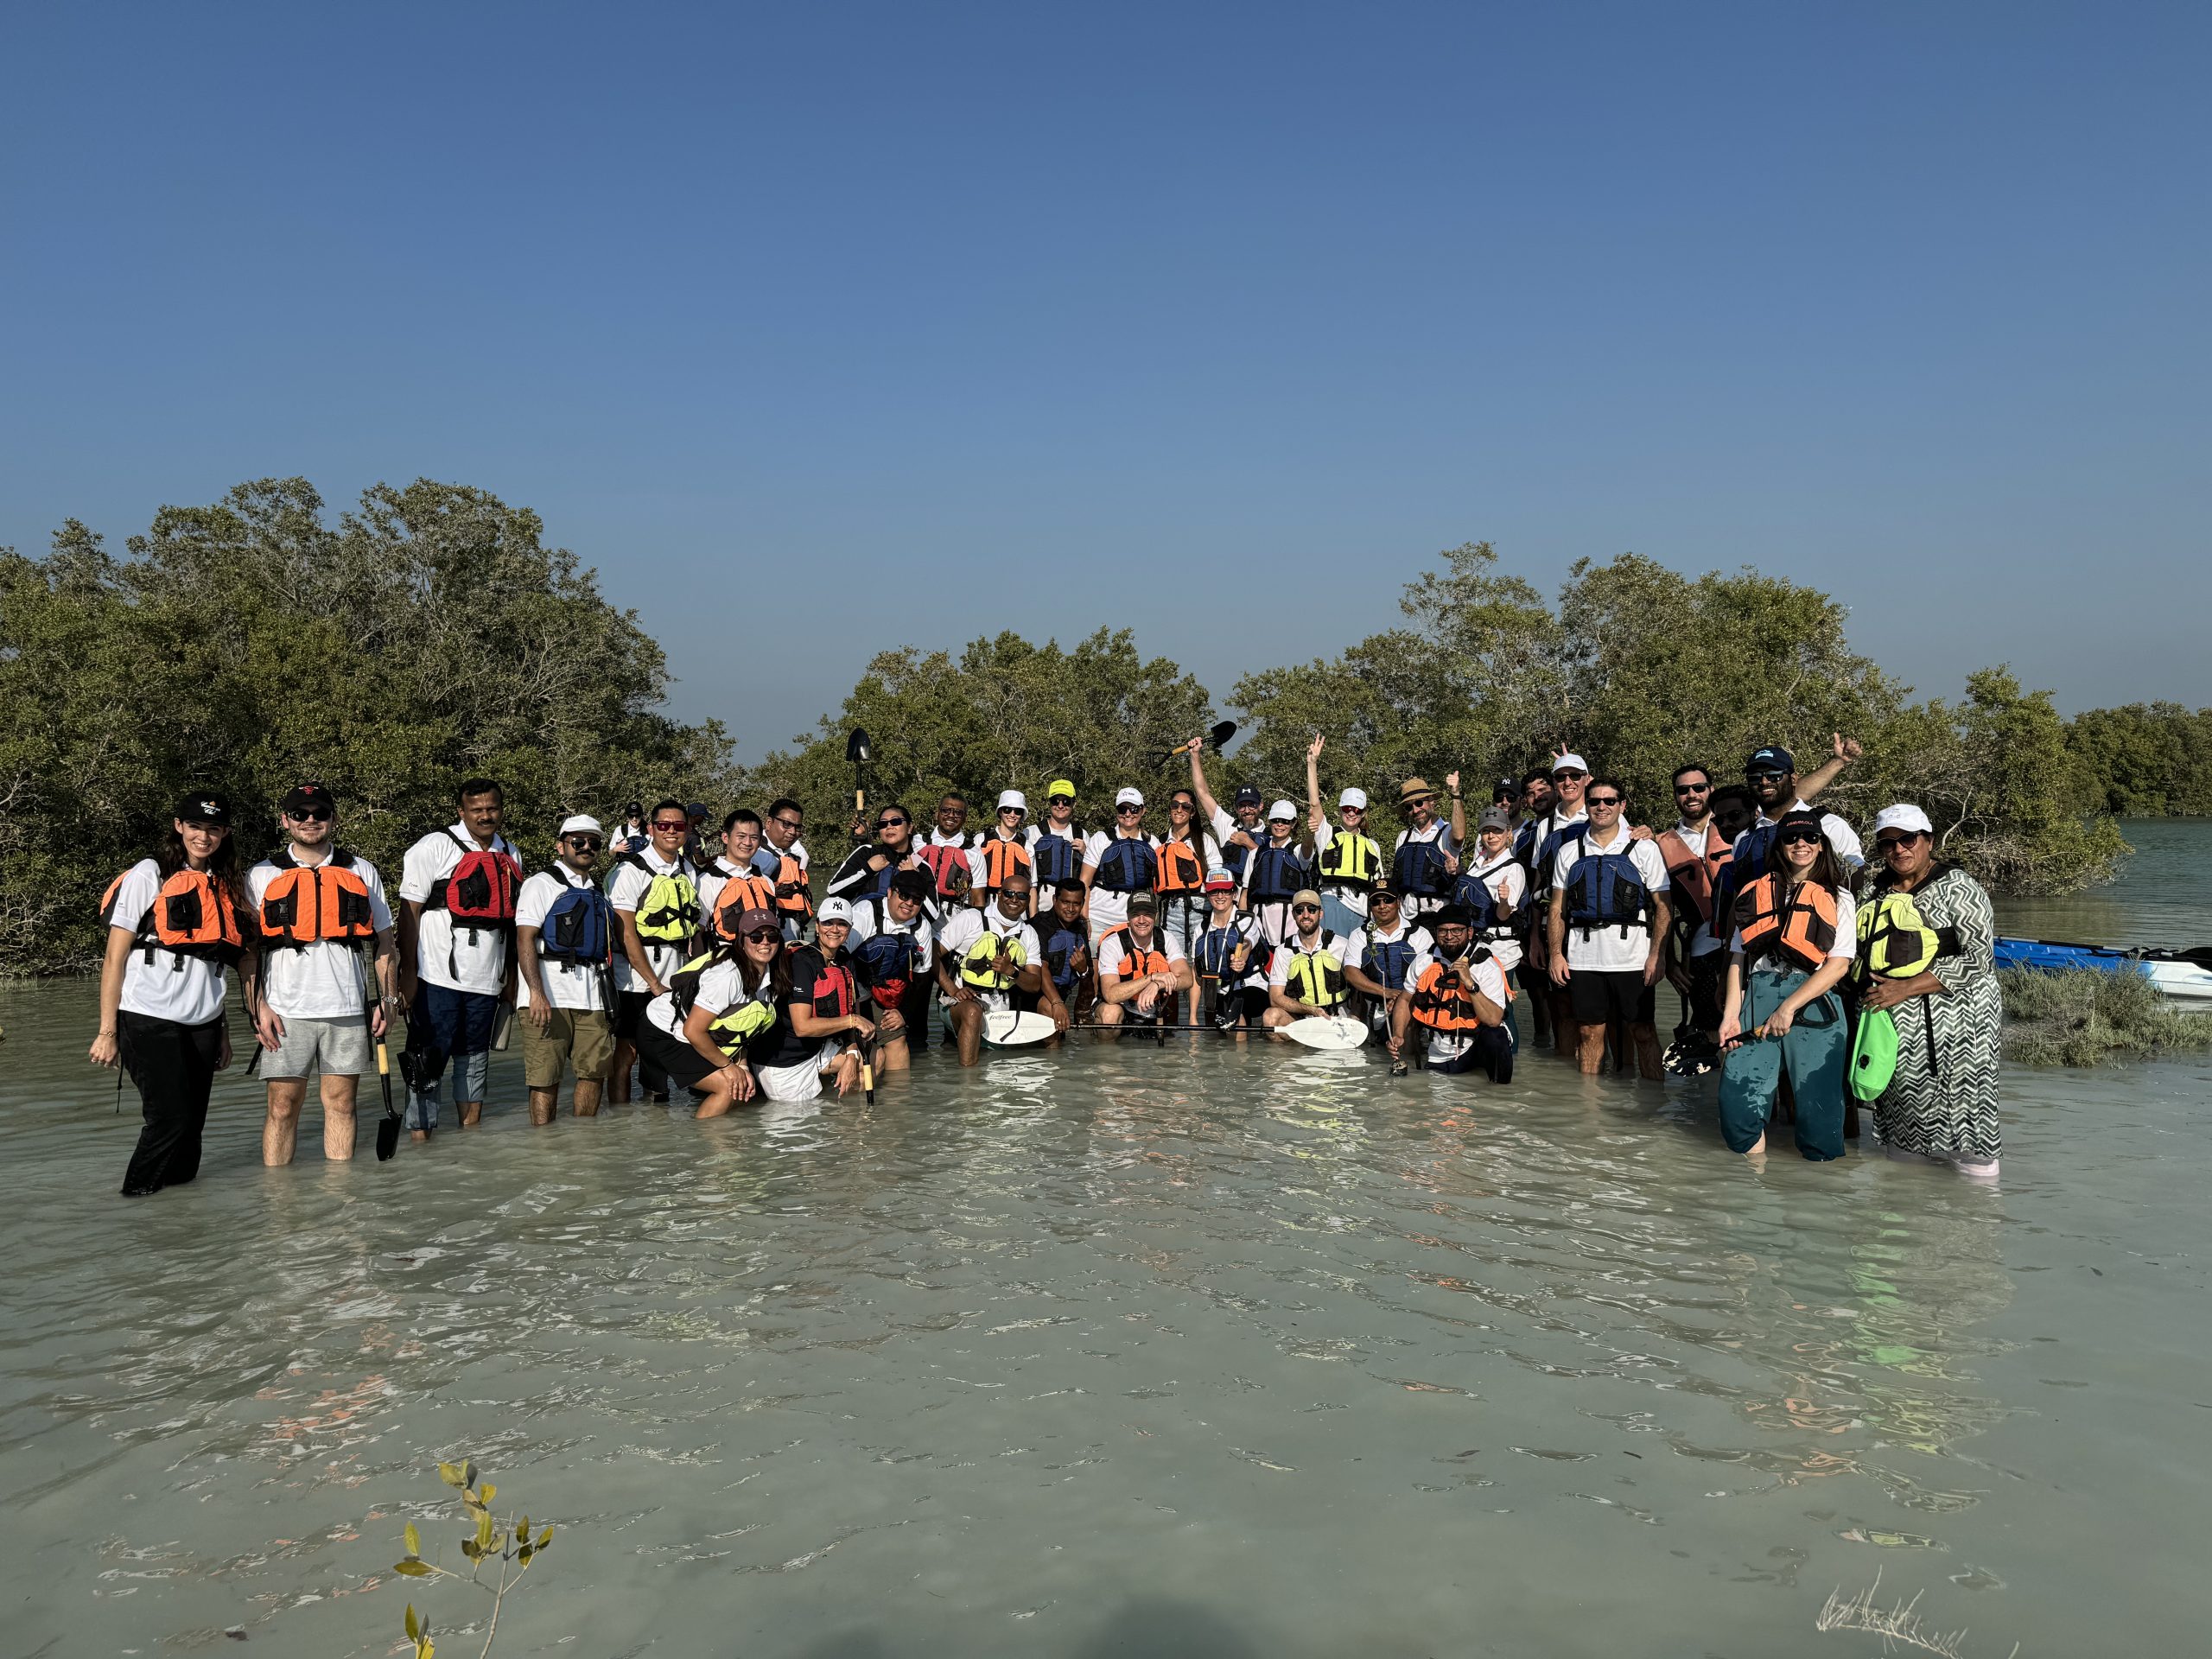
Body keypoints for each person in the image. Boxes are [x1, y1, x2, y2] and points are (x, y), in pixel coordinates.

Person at [92, 790, 257, 1196]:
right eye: (196, 826)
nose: (204, 837)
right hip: (147, 1016)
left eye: (214, 829)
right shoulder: (149, 873)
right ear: (179, 826)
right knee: (169, 1120)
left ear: (225, 833)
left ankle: (181, 1219)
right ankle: (134, 1202)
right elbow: (114, 958)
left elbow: (219, 964)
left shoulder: (229, 884)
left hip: (203, 1023)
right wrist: (107, 1031)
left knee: (192, 1126)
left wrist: (222, 1030)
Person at [247, 782, 399, 1165]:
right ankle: (278, 1206)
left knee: (342, 1105)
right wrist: (257, 1008)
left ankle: (341, 1206)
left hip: (347, 1009)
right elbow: (247, 952)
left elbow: (385, 944)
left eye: (319, 813)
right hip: (284, 1011)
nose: (310, 820)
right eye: (300, 813)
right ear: (286, 820)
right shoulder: (262, 875)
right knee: (282, 1107)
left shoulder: (361, 870)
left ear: (333, 818)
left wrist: (389, 1000)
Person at [1855, 804, 2003, 1180]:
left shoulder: (1961, 887)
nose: (1899, 850)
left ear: (1928, 841)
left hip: (1962, 1025)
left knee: (1968, 1124)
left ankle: (1978, 1218)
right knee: (1903, 1122)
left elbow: (1979, 958)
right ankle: (1911, 1212)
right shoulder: (1872, 890)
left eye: (1908, 839)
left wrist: (1905, 988)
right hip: (1895, 1026)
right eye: (1888, 843)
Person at [1715, 809, 1856, 1161]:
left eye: (1810, 838)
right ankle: (1753, 1191)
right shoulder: (1752, 892)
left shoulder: (1841, 898)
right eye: (1791, 838)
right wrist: (1731, 1017)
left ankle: (1814, 1201)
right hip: (1757, 996)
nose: (1801, 845)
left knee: (1818, 1111)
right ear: (1780, 845)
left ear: (1821, 845)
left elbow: (1838, 965)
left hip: (1814, 1004)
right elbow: (1738, 959)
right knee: (1738, 1105)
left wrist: (1788, 1008)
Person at [397, 778, 523, 1139]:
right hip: (436, 978)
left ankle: (470, 1142)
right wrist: (408, 974)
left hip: (488, 981)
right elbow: (409, 912)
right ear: (461, 811)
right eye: (477, 810)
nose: (485, 816)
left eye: (492, 808)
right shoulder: (433, 846)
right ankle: (422, 1139)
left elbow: (512, 922)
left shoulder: (511, 852)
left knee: (474, 1062)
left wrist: (511, 980)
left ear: (501, 808)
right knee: (428, 1059)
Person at [1548, 777, 1671, 1077]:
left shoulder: (1644, 849)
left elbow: (1663, 908)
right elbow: (1556, 909)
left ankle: (1654, 1099)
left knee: (1643, 1031)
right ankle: (1590, 1109)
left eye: (1609, 801)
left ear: (1622, 805)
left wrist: (1658, 955)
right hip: (1584, 959)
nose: (1601, 807)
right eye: (1594, 801)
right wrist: (1555, 955)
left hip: (1633, 959)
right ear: (1586, 806)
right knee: (1589, 1033)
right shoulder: (1569, 852)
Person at [514, 815, 618, 1125]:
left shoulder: (600, 891)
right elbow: (525, 939)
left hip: (593, 997)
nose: (586, 848)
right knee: (545, 1076)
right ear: (561, 846)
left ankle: (583, 1146)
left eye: (594, 843)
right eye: (578, 842)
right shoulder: (540, 884)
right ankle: (546, 1149)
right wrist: (536, 992)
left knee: (594, 1073)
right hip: (549, 995)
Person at [635, 910, 784, 1116]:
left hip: (687, 1029)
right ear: (741, 940)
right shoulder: (727, 976)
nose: (765, 943)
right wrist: (729, 1068)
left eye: (772, 936)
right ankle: (707, 1144)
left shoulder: (768, 973)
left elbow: (743, 1025)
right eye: (756, 937)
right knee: (728, 1089)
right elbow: (693, 1030)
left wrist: (743, 1067)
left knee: (745, 1090)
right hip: (662, 1032)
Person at [606, 798, 702, 1103]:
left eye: (678, 826)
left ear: (687, 830)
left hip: (675, 974)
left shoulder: (688, 869)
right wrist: (653, 982)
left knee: (660, 1050)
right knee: (628, 1051)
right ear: (651, 828)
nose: (671, 831)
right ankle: (620, 1121)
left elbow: (694, 925)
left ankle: (655, 1123)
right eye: (664, 825)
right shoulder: (631, 870)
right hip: (635, 980)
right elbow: (625, 932)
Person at [938, 875, 1067, 1065]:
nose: (1014, 899)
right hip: (958, 1002)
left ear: (1029, 900)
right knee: (973, 1012)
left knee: (994, 1065)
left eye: (1022, 896)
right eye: (1009, 893)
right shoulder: (970, 918)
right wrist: (953, 990)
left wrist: (1011, 971)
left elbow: (1034, 984)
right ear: (999, 894)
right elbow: (932, 953)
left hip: (999, 1010)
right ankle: (968, 1087)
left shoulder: (1029, 934)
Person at [753, 899, 872, 1101]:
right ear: (817, 926)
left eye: (842, 924)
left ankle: (846, 1124)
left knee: (876, 1056)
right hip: (785, 1061)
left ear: (849, 930)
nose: (834, 929)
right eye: (828, 923)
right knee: (806, 1126)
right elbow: (802, 1027)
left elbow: (854, 1015)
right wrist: (852, 1020)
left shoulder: (845, 960)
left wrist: (851, 1056)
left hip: (816, 1049)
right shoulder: (801, 962)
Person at [1656, 765, 1732, 1058]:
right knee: (1710, 1030)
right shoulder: (1660, 844)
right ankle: (1709, 1097)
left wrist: (1837, 762)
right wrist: (1670, 963)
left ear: (1710, 790)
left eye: (1699, 788)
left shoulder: (1738, 827)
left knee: (1752, 1024)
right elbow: (1659, 910)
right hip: (1699, 952)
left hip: (1747, 944)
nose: (1692, 794)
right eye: (1683, 790)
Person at [1389, 904, 1513, 1083]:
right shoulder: (1423, 961)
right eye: (1443, 931)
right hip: (1438, 1052)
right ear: (1436, 933)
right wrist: (1398, 1035)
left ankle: (1500, 1092)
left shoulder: (1487, 966)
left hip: (1475, 1048)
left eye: (1456, 931)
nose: (1449, 937)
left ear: (1469, 932)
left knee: (1496, 1036)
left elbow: (1494, 1019)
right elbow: (1405, 998)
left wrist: (1470, 983)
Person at [1522, 753, 1592, 1057]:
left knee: (1597, 1014)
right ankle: (1568, 1078)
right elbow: (1539, 884)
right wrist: (1535, 937)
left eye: (1575, 776)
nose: (1568, 783)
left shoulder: (1602, 812)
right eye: (1561, 778)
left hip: (1593, 926)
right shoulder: (1543, 826)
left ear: (1587, 779)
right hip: (1556, 925)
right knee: (1562, 1008)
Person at [1448, 805, 1527, 1049]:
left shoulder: (1513, 869)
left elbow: (1504, 915)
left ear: (1508, 833)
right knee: (1477, 1000)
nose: (1491, 836)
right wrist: (1459, 871)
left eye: (1497, 831)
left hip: (1501, 949)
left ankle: (1509, 1059)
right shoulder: (1479, 861)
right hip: (1476, 947)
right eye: (1486, 831)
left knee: (1503, 1007)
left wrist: (1504, 900)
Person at [848, 869, 932, 1069]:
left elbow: (922, 977)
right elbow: (839, 957)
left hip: (884, 992)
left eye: (917, 900)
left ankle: (899, 1096)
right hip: (852, 988)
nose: (909, 903)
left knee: (898, 1041)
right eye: (904, 895)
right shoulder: (864, 913)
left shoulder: (922, 927)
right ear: (889, 893)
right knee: (862, 1049)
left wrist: (903, 1013)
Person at [1154, 785, 1218, 1016]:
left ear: (1192, 812)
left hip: (1200, 908)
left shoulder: (1204, 841)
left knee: (1197, 965)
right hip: (1170, 909)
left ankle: (1193, 1018)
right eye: (1175, 805)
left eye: (1186, 806)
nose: (1179, 810)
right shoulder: (1159, 841)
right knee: (1173, 964)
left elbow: (1216, 877)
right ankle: (1171, 1016)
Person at [1306, 735, 1381, 938]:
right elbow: (1314, 804)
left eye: (1357, 810)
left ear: (1363, 813)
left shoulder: (1372, 844)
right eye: (1347, 808)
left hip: (1363, 911)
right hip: (1333, 904)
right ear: (1340, 809)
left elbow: (1378, 882)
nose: (1351, 813)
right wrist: (1312, 764)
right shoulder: (1328, 834)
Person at [1093, 893, 1192, 1033]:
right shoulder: (1112, 943)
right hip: (1122, 1010)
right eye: (1135, 914)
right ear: (1128, 916)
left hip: (1156, 1011)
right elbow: (1110, 995)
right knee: (1110, 1014)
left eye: (1147, 914)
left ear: (1156, 916)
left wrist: (1157, 984)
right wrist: (1151, 977)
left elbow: (1187, 979)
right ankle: (1108, 1052)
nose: (1141, 920)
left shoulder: (1166, 939)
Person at [1190, 869, 1268, 1028]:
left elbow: (1247, 942)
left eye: (1226, 890)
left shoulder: (1246, 921)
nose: (1220, 896)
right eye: (1214, 891)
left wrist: (1241, 960)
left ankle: (1241, 1052)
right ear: (1207, 894)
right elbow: (1196, 975)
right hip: (1222, 990)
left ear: (1234, 894)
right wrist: (1192, 1017)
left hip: (1253, 986)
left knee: (1235, 1013)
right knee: (1217, 1032)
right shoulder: (1201, 929)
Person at [1264, 889, 1353, 1027]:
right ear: (1293, 915)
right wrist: (1311, 1010)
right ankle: (1297, 1049)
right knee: (1270, 1018)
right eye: (1299, 910)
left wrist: (1356, 1017)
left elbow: (1358, 989)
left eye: (1312, 909)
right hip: (1302, 1018)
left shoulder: (1342, 944)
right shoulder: (1283, 951)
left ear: (1321, 913)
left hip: (1337, 1017)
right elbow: (1275, 998)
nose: (1306, 915)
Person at [1342, 880, 1419, 1039]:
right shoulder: (1359, 934)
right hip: (1374, 1006)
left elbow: (1429, 976)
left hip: (1411, 1004)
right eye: (1376, 902)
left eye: (1388, 900)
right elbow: (1350, 973)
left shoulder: (1419, 933)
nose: (1382, 906)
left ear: (1398, 902)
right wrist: (1386, 992)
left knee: (1406, 1045)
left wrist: (1402, 999)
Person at [1082, 786, 1160, 943]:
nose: (1128, 814)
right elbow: (1084, 881)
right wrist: (1085, 919)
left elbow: (1157, 887)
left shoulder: (1153, 842)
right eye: (1122, 809)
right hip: (1099, 917)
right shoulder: (1101, 838)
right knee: (1095, 965)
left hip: (1136, 921)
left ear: (1143, 810)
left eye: (1134, 809)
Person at [1185, 740, 1265, 890]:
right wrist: (1195, 755)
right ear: (1236, 808)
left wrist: (1248, 843)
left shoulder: (1273, 832)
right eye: (1241, 806)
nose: (1247, 810)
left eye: (1252, 805)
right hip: (1230, 899)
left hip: (1258, 899)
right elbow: (1202, 793)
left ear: (1261, 806)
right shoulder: (1227, 825)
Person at [1240, 798, 1316, 946]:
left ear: (1293, 824)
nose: (1280, 824)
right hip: (1260, 917)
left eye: (1285, 821)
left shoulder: (1297, 851)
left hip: (1290, 919)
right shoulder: (1256, 854)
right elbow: (1245, 892)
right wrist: (1244, 923)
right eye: (1276, 820)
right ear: (1270, 821)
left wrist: (1310, 832)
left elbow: (1307, 848)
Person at [827, 803, 930, 908]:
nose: (889, 827)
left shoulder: (920, 864)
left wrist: (915, 878)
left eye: (895, 821)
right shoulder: (866, 852)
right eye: (883, 824)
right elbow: (833, 891)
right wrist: (867, 870)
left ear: (909, 828)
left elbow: (934, 914)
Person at [1389, 777, 1457, 925]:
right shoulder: (1403, 838)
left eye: (1419, 803)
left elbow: (1460, 835)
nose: (1415, 810)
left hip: (1437, 917)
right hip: (1406, 918)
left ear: (1431, 800)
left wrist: (1456, 796)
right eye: (1409, 807)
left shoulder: (1447, 832)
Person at [1033, 879, 1097, 1030]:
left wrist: (1084, 970)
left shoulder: (1080, 928)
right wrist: (1057, 1003)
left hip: (1062, 994)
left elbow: (1088, 974)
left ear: (1082, 903)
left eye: (1076, 903)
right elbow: (1041, 968)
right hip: (1035, 996)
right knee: (1050, 1010)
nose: (1070, 909)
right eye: (1065, 902)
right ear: (1055, 900)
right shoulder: (1039, 926)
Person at [700, 810, 776, 931]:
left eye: (754, 837)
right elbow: (699, 931)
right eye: (741, 836)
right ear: (725, 837)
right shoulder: (707, 882)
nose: (747, 843)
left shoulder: (766, 882)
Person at [972, 790, 1036, 914]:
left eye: (1017, 811)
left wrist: (1033, 918)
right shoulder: (981, 840)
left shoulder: (1027, 846)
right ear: (1000, 811)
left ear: (1022, 815)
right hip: (986, 904)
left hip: (1015, 906)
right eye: (1007, 810)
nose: (1012, 815)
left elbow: (1032, 886)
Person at [1027, 781, 1087, 912]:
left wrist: (1085, 852)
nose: (1060, 806)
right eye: (1055, 801)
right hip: (1038, 908)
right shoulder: (1031, 833)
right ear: (1049, 803)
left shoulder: (1082, 835)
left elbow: (1089, 877)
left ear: (1074, 803)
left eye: (1066, 801)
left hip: (1070, 911)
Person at [759, 798, 814, 938]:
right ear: (769, 823)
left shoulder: (790, 851)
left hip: (793, 929)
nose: (792, 832)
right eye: (787, 824)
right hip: (765, 934)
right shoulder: (756, 853)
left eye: (797, 827)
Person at [918, 792, 978, 912]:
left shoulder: (973, 852)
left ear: (965, 818)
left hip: (954, 917)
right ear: (937, 814)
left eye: (958, 812)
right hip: (918, 911)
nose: (951, 815)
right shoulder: (918, 843)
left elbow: (978, 897)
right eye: (945, 810)